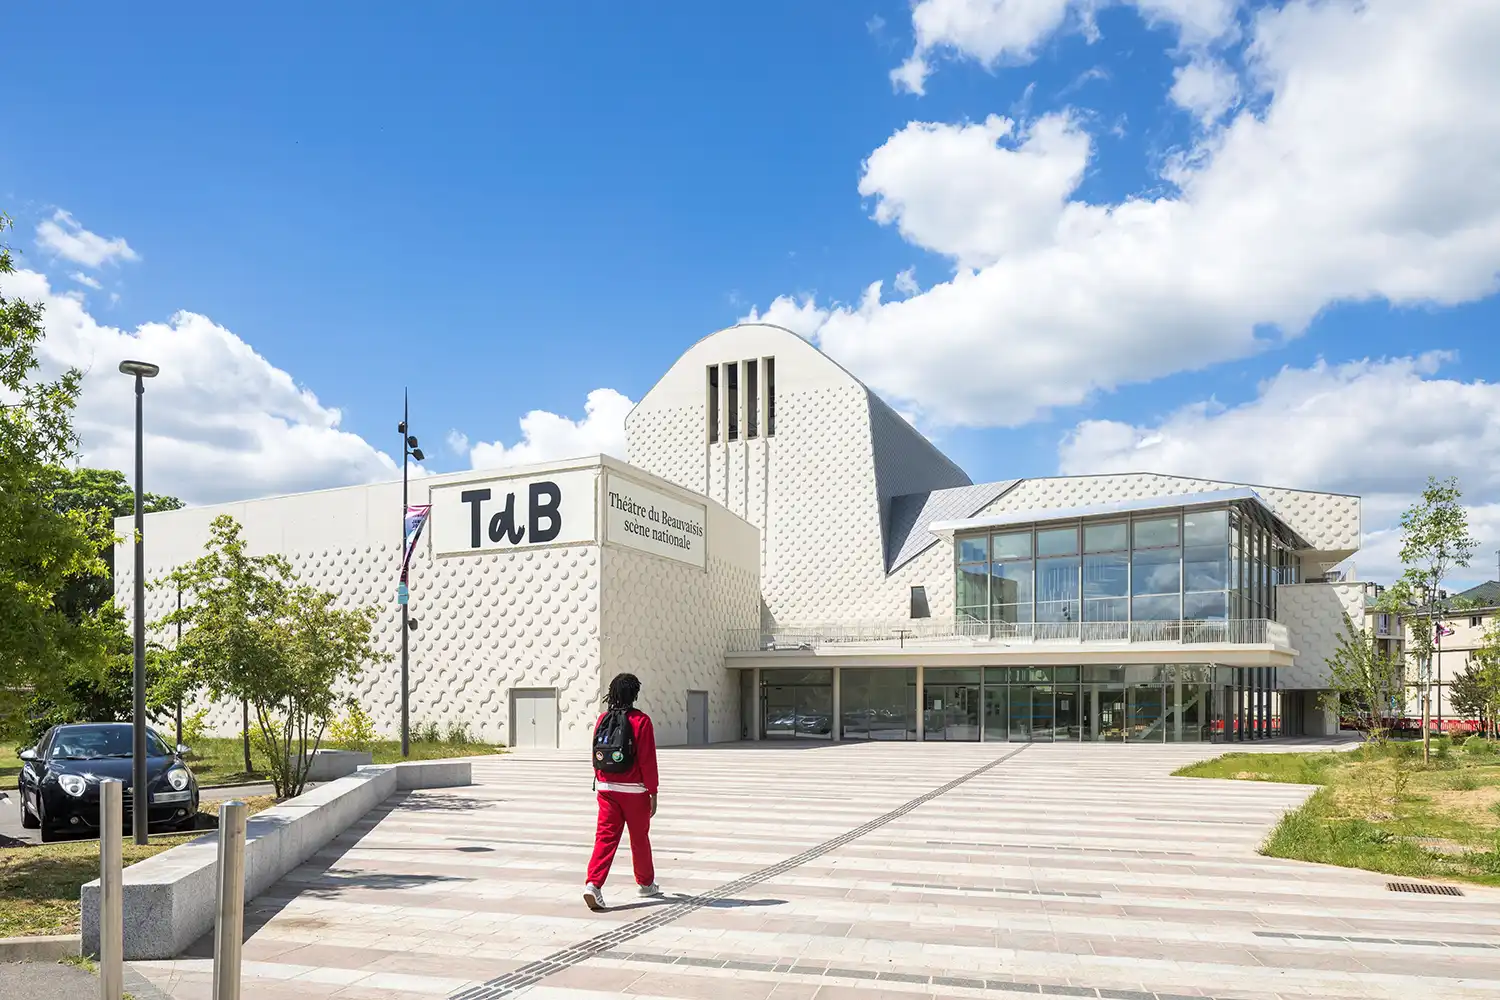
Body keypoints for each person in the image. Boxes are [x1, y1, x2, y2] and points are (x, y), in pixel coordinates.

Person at [584, 672, 661, 911]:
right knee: (639, 838)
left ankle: (593, 884)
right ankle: (646, 884)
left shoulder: (602, 719)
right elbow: (647, 760)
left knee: (605, 838)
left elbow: (596, 753)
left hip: (606, 788)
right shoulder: (641, 721)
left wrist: (601, 781)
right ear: (634, 694)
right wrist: (653, 791)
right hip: (634, 791)